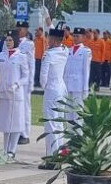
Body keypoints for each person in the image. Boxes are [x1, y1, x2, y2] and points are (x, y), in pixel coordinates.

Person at [38, 26, 68, 170]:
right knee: (59, 123)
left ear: (55, 40)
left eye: (50, 38)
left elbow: (43, 78)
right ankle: (61, 155)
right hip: (62, 88)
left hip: (51, 89)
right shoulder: (65, 51)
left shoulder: (48, 55)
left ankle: (52, 158)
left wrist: (46, 88)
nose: (48, 40)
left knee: (50, 123)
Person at [0, 33, 29, 161]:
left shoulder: (21, 56)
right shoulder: (2, 55)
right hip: (4, 92)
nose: (8, 42)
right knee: (5, 122)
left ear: (15, 41)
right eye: (6, 40)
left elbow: (25, 76)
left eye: (10, 40)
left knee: (15, 122)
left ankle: (12, 149)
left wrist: (17, 84)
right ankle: (5, 148)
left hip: (15, 94)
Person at [64, 27, 91, 122]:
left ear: (83, 37)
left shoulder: (86, 51)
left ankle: (78, 135)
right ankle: (69, 135)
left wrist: (85, 89)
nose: (75, 38)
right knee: (67, 112)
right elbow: (65, 69)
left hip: (78, 86)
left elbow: (86, 71)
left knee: (77, 112)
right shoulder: (68, 50)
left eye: (78, 36)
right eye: (74, 36)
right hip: (68, 84)